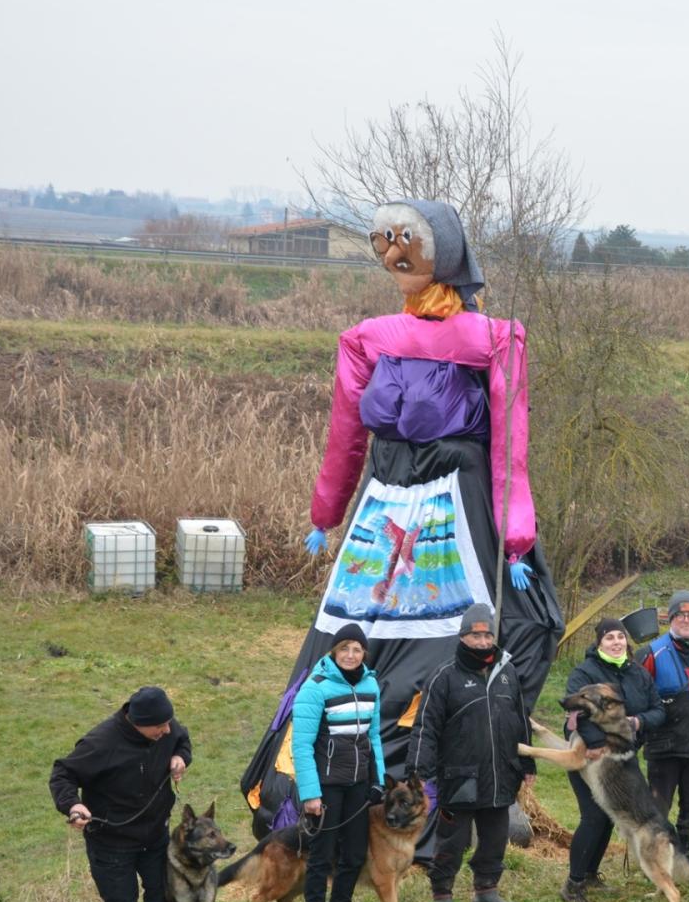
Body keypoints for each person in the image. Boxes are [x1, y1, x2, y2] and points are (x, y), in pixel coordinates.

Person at [240, 199, 562, 865]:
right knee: (357, 637)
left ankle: (476, 782)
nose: (393, 252)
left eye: (406, 240)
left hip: (455, 497)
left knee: (518, 622)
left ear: (440, 249)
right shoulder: (368, 337)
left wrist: (517, 536)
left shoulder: (492, 337)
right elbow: (345, 432)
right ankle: (333, 787)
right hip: (384, 506)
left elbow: (511, 442)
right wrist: (326, 514)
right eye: (383, 241)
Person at [49, 686, 191, 902]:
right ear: (138, 723)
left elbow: (181, 739)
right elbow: (62, 773)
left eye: (168, 723)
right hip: (111, 841)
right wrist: (72, 805)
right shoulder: (101, 743)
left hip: (154, 834)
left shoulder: (166, 727)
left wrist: (181, 757)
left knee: (160, 893)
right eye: (159, 727)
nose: (167, 730)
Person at [409, 604, 533, 902]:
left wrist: (528, 764)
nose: (481, 641)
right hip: (459, 775)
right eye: (475, 634)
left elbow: (521, 719)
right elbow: (425, 726)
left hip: (501, 771)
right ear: (463, 637)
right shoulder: (444, 676)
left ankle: (486, 892)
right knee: (453, 840)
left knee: (494, 838)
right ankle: (442, 895)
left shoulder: (507, 672)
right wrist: (419, 772)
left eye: (487, 634)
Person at [560, 617, 666, 902]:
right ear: (599, 642)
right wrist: (596, 743)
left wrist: (638, 721)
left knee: (609, 817)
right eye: (610, 638)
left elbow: (658, 710)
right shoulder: (586, 672)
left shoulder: (638, 674)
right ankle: (573, 884)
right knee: (593, 816)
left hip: (622, 759)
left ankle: (591, 874)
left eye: (620, 637)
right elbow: (576, 714)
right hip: (590, 756)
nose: (616, 642)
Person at [290, 623, 385, 902]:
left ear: (364, 654)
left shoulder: (371, 685)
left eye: (357, 650)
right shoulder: (315, 687)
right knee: (322, 854)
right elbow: (301, 746)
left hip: (357, 782)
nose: (350, 654)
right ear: (334, 651)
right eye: (344, 648)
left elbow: (374, 737)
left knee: (355, 854)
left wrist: (378, 780)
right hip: (326, 784)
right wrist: (311, 794)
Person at [635, 590, 689, 866]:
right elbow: (637, 699)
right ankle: (657, 860)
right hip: (663, 748)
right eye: (680, 615)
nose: (686, 619)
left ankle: (687, 858)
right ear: (670, 619)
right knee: (658, 810)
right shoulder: (651, 653)